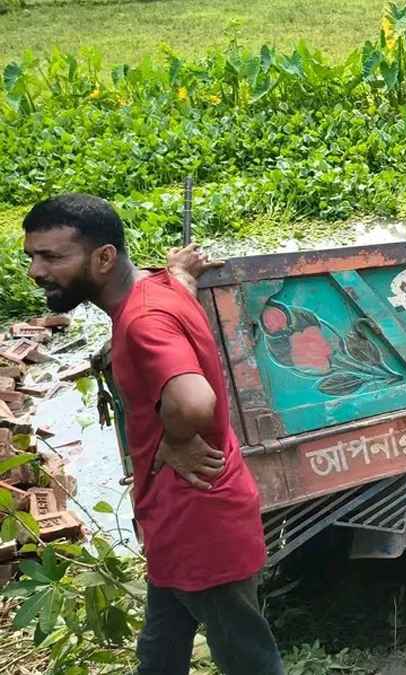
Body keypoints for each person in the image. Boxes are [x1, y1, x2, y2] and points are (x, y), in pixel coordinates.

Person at [22, 193, 285, 675]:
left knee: (248, 659)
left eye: (52, 257)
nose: (36, 271)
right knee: (161, 649)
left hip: (198, 522)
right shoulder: (158, 289)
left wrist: (177, 439)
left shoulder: (143, 322)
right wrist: (181, 270)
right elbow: (177, 288)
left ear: (104, 258)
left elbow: (194, 401)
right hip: (177, 516)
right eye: (32, 256)